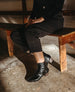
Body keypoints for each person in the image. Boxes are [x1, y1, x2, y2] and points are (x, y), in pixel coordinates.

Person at [10, 0, 64, 82]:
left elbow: (56, 8)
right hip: (40, 21)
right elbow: (35, 9)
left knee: (31, 33)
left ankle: (41, 68)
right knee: (15, 34)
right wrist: (30, 20)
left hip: (55, 20)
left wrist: (40, 19)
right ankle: (44, 56)